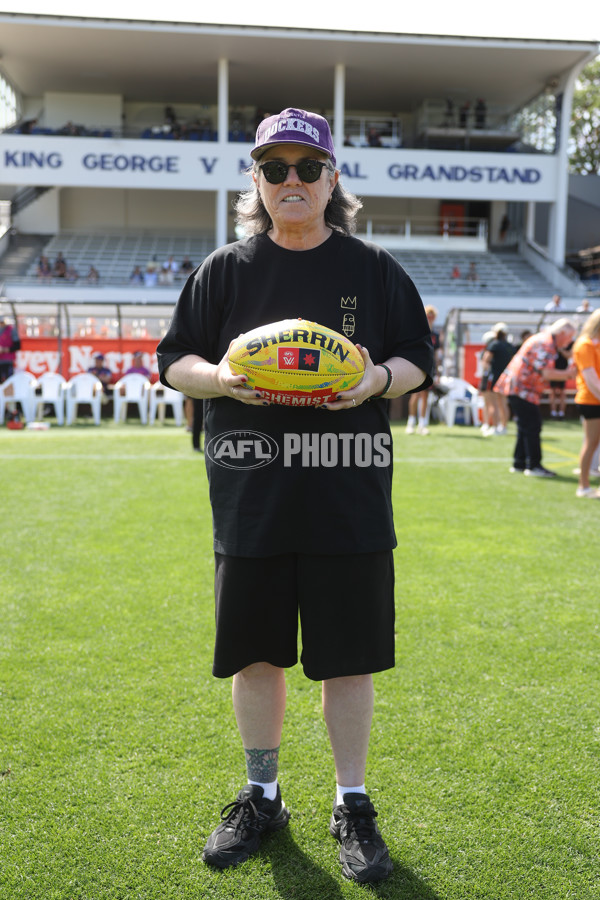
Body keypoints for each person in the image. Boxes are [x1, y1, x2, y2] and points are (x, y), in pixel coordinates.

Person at [156, 107, 435, 884]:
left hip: (348, 496)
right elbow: (173, 357)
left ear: (332, 177)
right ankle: (263, 794)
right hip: (250, 496)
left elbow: (419, 353)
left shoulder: (374, 268)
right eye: (274, 168)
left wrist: (377, 379)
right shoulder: (225, 270)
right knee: (256, 655)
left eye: (307, 168)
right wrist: (218, 379)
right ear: (256, 179)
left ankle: (352, 801)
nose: (291, 182)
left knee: (349, 660)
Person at [494, 318, 576, 477]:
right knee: (533, 425)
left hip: (521, 388)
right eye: (570, 337)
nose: (570, 341)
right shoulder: (545, 343)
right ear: (562, 333)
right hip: (522, 389)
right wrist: (569, 374)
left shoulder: (545, 340)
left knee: (525, 426)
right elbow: (546, 372)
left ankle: (519, 463)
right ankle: (533, 465)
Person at [572, 309, 600, 498]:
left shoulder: (593, 344)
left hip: (594, 398)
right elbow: (591, 379)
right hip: (591, 400)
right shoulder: (585, 345)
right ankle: (583, 486)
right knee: (591, 444)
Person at [405, 304, 441, 434]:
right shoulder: (419, 330)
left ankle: (422, 423)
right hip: (417, 365)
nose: (430, 318)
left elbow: (437, 354)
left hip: (430, 367)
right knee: (415, 394)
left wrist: (437, 371)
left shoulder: (435, 335)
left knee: (425, 395)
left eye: (432, 316)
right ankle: (411, 422)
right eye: (428, 316)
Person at [479, 323, 516, 435]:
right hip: (506, 377)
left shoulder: (494, 345)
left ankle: (495, 427)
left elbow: (486, 361)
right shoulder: (510, 346)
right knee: (503, 403)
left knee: (493, 403)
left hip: (494, 376)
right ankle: (503, 427)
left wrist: (486, 371)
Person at [0, 317, 21, 382]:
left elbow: (17, 346)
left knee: (8, 381)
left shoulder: (11, 330)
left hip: (7, 361)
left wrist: (4, 350)